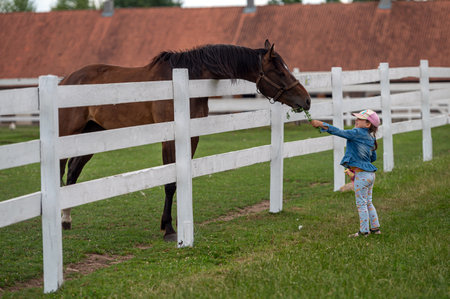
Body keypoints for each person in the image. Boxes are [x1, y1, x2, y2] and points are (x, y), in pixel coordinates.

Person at [310, 109, 382, 237]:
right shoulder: (371, 138)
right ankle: (375, 228)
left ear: (368, 124)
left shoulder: (356, 133)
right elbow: (373, 157)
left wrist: (321, 124)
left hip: (362, 176)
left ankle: (364, 231)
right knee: (368, 202)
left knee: (361, 204)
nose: (356, 120)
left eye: (360, 119)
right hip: (371, 175)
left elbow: (339, 132)